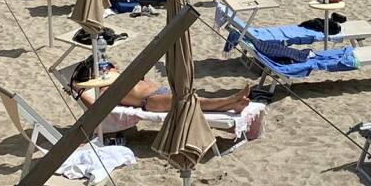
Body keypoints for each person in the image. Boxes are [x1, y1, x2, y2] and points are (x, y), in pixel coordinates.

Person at [73, 60, 252, 114]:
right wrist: (77, 90)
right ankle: (230, 100)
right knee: (192, 101)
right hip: (150, 101)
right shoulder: (108, 89)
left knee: (192, 99)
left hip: (161, 93)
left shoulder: (122, 78)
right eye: (109, 66)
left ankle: (232, 104)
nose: (114, 67)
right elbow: (95, 108)